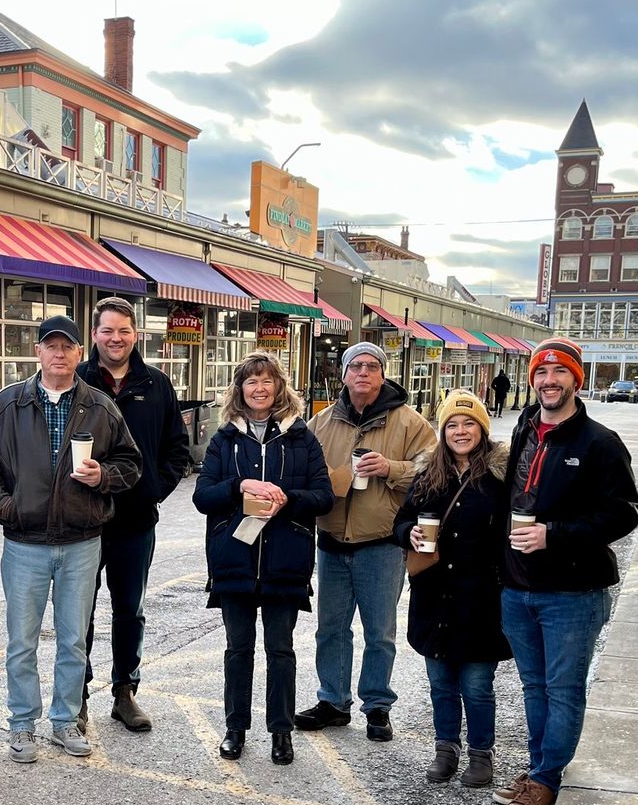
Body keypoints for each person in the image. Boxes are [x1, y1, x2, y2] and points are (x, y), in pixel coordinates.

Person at [0, 314, 141, 764]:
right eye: (51, 345)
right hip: (24, 543)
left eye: (67, 347)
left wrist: (103, 474)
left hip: (82, 541)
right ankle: (22, 724)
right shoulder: (6, 406)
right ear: (38, 351)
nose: (59, 354)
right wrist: (8, 509)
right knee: (22, 641)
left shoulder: (101, 407)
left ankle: (65, 719)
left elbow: (131, 464)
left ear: (79, 354)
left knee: (73, 639)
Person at [496, 336, 638, 805]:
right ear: (532, 377)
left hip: (572, 594)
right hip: (517, 589)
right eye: (541, 372)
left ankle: (547, 777)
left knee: (562, 688)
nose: (549, 381)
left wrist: (552, 535)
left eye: (559, 374)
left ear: (576, 380)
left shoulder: (599, 442)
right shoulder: (525, 429)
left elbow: (624, 515)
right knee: (533, 687)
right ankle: (541, 768)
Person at [294, 341, 437, 741]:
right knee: (331, 629)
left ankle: (377, 706)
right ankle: (333, 701)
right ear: (343, 374)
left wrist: (391, 467)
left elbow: (433, 471)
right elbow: (302, 469)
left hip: (382, 544)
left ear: (383, 374)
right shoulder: (320, 423)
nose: (363, 373)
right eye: (355, 366)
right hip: (333, 540)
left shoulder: (409, 422)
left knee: (380, 632)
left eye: (372, 366)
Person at [194, 354, 332, 765]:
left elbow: (323, 496)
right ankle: (236, 729)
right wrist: (240, 485)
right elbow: (203, 497)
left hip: (284, 560)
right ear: (239, 389)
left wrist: (288, 500)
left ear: (279, 387)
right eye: (251, 381)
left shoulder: (301, 438)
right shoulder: (224, 439)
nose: (259, 388)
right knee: (238, 649)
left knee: (280, 650)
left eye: (267, 381)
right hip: (234, 558)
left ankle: (281, 731)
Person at [76, 296, 189, 733]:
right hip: (84, 519)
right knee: (79, 611)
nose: (115, 338)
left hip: (136, 522)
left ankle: (124, 691)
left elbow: (176, 449)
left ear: (135, 334)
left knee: (129, 610)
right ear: (94, 335)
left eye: (123, 330)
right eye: (107, 330)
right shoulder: (79, 379)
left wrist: (152, 492)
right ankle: (77, 694)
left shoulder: (155, 384)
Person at [394, 390, 511, 789]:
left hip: (482, 598)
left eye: (469, 423)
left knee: (477, 686)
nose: (461, 431)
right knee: (441, 683)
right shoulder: (428, 474)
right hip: (435, 596)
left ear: (482, 427)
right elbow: (402, 520)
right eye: (452, 425)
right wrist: (406, 532)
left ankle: (481, 753)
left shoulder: (501, 477)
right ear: (442, 432)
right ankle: (446, 749)